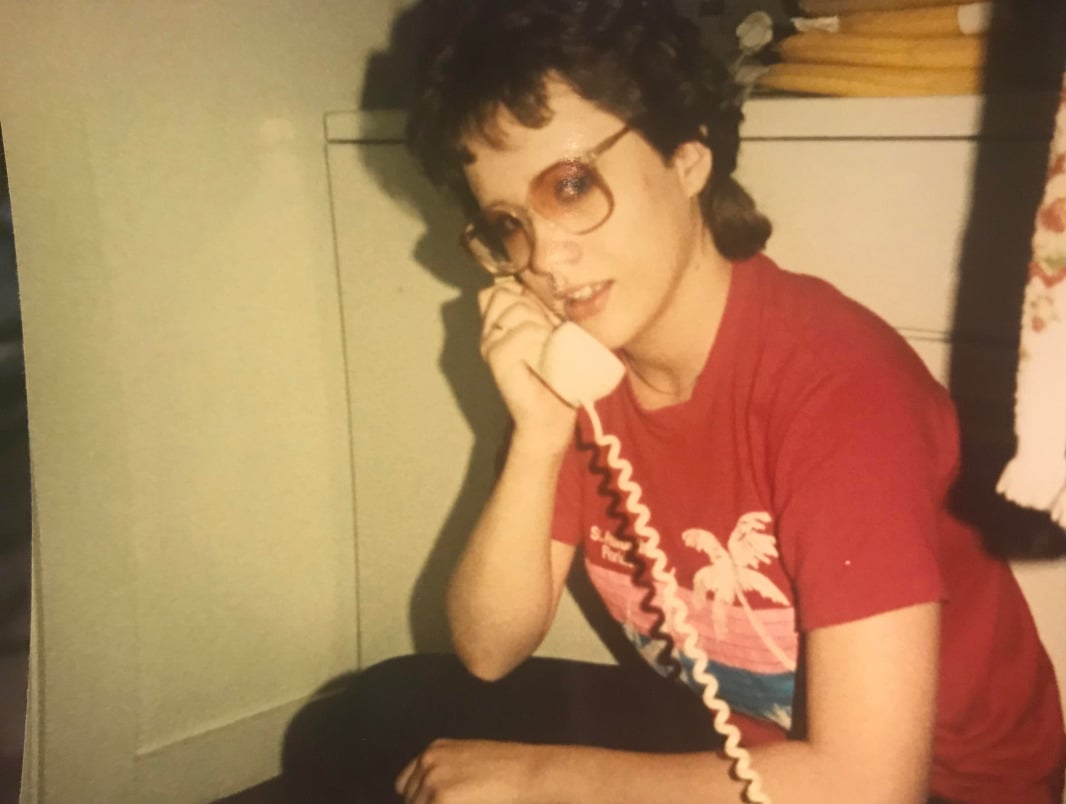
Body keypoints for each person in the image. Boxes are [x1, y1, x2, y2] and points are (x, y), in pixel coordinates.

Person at [282, 1, 1066, 801]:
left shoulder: (839, 388)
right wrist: (539, 432)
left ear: (688, 158)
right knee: (370, 718)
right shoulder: (589, 367)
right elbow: (487, 648)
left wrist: (545, 777)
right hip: (748, 746)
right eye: (507, 222)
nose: (547, 257)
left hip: (933, 787)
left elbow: (869, 783)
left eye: (573, 185)